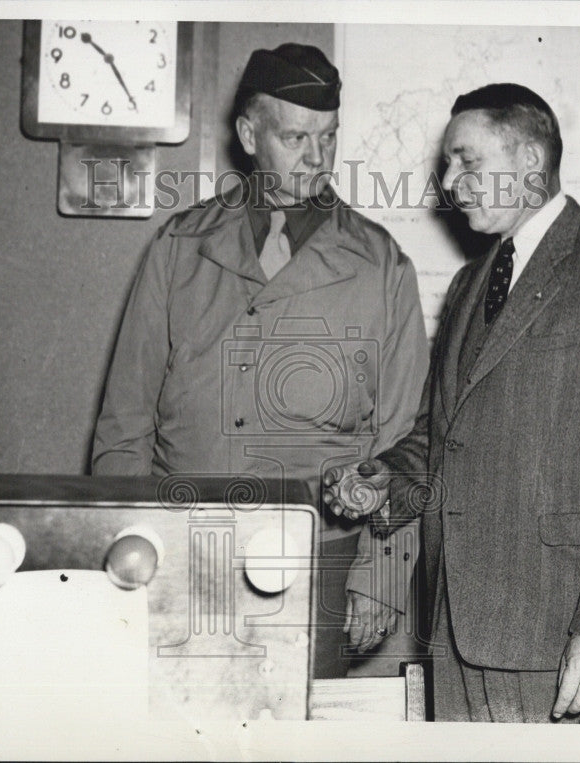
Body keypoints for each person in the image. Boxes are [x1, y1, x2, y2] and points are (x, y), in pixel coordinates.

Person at [324, 83, 580, 720]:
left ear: (528, 163)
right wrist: (385, 479)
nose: (449, 181)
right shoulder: (471, 282)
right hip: (456, 631)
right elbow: (444, 434)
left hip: (560, 637)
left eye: (467, 161)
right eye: (448, 164)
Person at [92, 43, 429, 677]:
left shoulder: (382, 263)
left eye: (328, 137)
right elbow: (125, 420)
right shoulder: (178, 246)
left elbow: (403, 438)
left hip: (317, 558)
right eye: (296, 137)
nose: (317, 157)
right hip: (186, 544)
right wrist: (128, 540)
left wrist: (381, 572)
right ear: (249, 135)